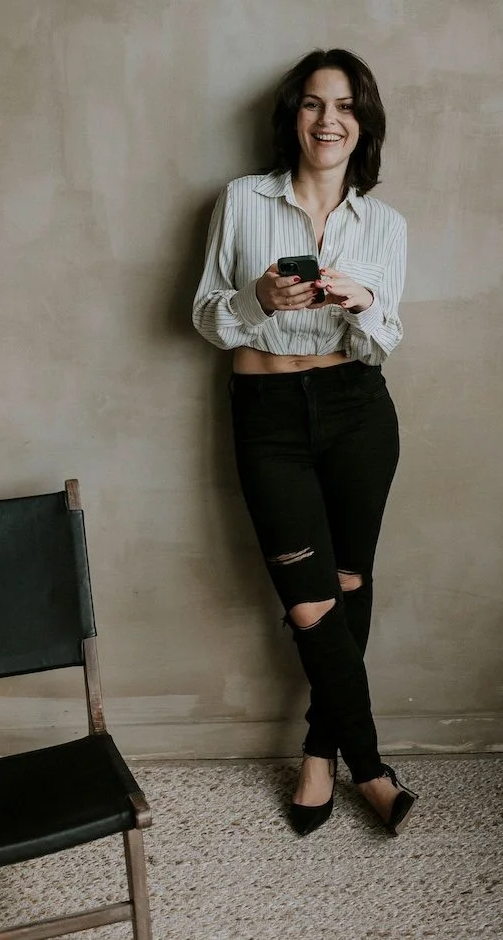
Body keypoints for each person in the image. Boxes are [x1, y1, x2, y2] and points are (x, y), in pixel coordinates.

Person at [192, 48, 417, 836]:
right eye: (315, 104)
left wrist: (361, 301)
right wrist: (256, 296)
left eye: (347, 105)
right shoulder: (242, 199)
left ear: (364, 123)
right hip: (268, 412)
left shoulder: (383, 223)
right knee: (311, 599)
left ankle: (319, 753)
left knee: (350, 583)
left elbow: (386, 336)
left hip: (357, 407)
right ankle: (373, 767)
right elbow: (204, 315)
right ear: (293, 116)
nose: (330, 120)